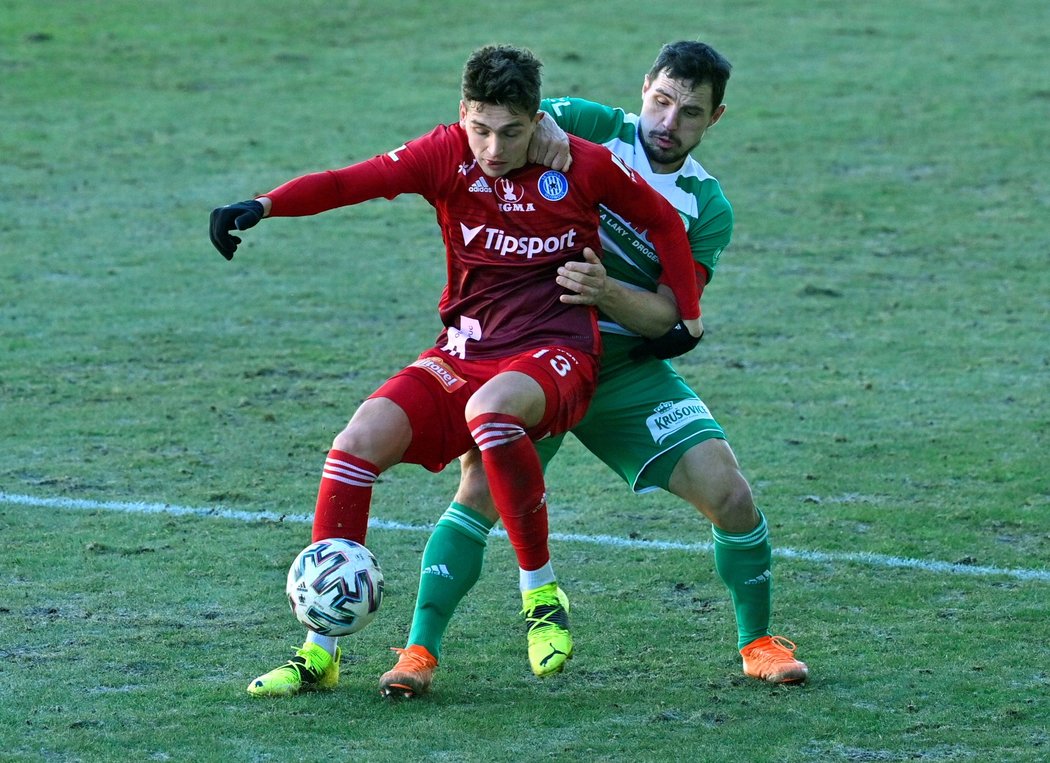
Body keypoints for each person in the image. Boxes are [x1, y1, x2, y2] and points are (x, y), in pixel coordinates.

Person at [208, 44, 702, 697]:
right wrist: (264, 205)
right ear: (462, 113)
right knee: (354, 444)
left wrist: (686, 318)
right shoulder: (443, 154)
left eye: (512, 131)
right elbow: (346, 182)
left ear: (537, 122)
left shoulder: (581, 165)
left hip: (555, 351)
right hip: (464, 349)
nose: (493, 148)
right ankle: (319, 650)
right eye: (480, 128)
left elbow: (663, 220)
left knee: (493, 412)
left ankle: (541, 595)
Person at [379, 40, 808, 699]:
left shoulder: (705, 207)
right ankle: (417, 651)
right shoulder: (583, 123)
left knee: (732, 495)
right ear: (644, 90)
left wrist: (604, 290)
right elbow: (495, 127)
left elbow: (670, 319)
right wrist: (544, 128)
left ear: (714, 119)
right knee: (477, 496)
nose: (669, 122)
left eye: (690, 112)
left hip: (623, 369)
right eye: (661, 102)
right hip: (526, 352)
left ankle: (759, 642)